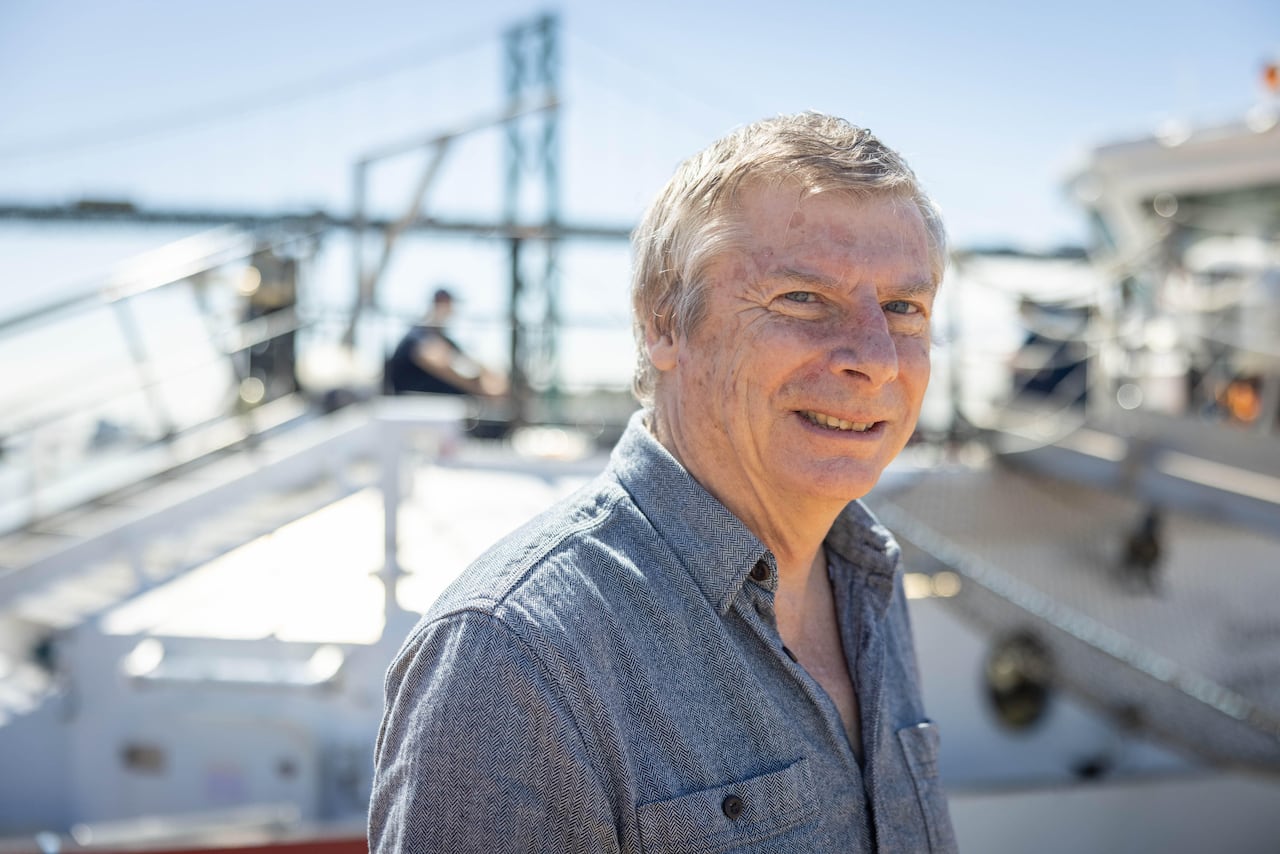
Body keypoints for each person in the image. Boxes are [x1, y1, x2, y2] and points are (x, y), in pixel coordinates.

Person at [370, 112, 957, 853]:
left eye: (904, 307)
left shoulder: (864, 580)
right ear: (661, 325)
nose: (876, 358)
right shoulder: (512, 659)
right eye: (803, 299)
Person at [385, 287, 508, 398]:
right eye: (449, 304)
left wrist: (494, 380)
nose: (452, 310)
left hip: (443, 408)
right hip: (415, 408)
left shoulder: (444, 339)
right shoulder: (418, 334)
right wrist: (483, 390)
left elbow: (471, 362)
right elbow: (439, 364)